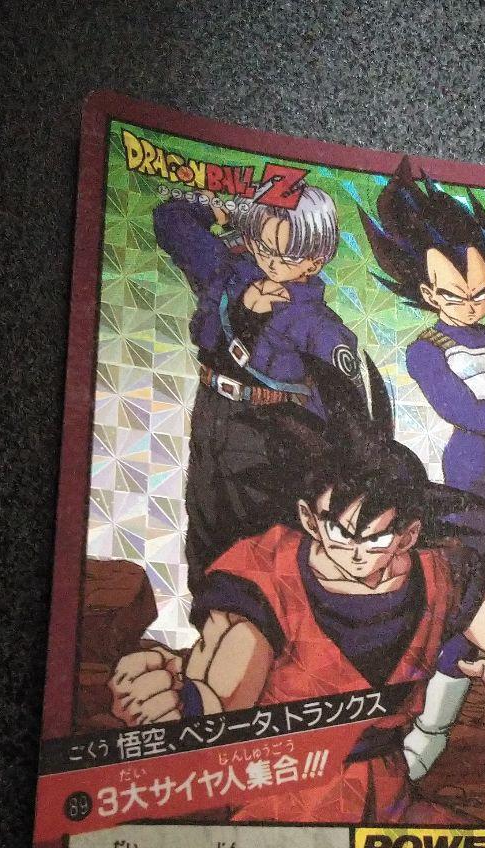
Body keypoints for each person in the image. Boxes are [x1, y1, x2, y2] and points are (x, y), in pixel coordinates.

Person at [107, 410, 485, 826]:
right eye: (340, 532)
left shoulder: (440, 572)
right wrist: (176, 706)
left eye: (376, 537)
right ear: (310, 519)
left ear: (408, 535)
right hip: (282, 811)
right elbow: (223, 696)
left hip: (391, 802)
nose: (357, 553)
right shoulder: (264, 576)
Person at [356, 158, 485, 771]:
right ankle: (432, 729)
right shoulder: (427, 347)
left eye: (481, 292)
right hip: (470, 479)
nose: (471, 305)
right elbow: (463, 410)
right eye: (454, 294)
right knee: (465, 602)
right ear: (428, 294)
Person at [153, 184, 367, 594]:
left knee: (260, 544)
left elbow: (346, 410)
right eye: (263, 245)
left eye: (287, 254)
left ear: (315, 260)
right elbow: (170, 220)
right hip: (213, 411)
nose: (271, 260)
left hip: (272, 434)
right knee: (204, 526)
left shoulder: (318, 325)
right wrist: (226, 210)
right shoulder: (228, 272)